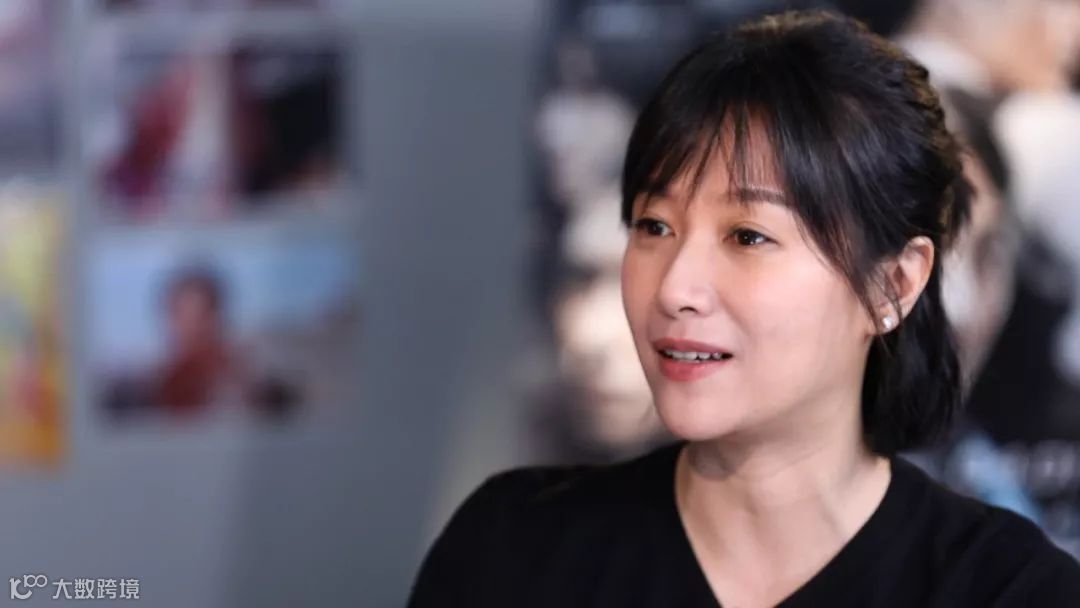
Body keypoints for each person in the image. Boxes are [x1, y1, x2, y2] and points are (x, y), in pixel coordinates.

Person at [407, 11, 1080, 607]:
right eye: (654, 226)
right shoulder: (511, 551)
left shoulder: (1007, 589)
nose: (675, 287)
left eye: (748, 236)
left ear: (894, 285)